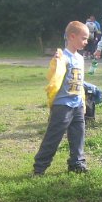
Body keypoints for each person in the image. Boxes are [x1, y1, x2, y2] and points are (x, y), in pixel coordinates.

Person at [33, 21, 90, 175]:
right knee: (53, 137)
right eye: (84, 38)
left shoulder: (80, 58)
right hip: (62, 105)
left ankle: (76, 163)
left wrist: (83, 103)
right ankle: (40, 167)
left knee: (78, 135)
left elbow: (81, 82)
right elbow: (53, 75)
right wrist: (56, 61)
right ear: (72, 36)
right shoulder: (63, 57)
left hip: (77, 104)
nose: (86, 42)